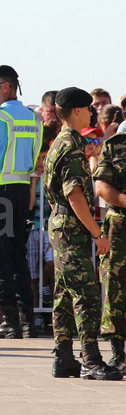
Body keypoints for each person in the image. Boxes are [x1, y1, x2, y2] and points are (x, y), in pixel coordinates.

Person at [44, 87, 120, 380]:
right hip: (72, 227)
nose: (90, 113)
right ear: (77, 110)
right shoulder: (73, 146)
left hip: (61, 224)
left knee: (64, 294)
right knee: (86, 294)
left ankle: (64, 357)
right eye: (87, 109)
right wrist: (97, 233)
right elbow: (74, 194)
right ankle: (91, 359)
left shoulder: (59, 142)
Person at [0, 65, 42, 340]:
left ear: (6, 87)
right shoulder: (33, 118)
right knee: (17, 259)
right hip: (21, 192)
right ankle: (27, 322)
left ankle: (9, 322)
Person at [93, 124, 126, 374]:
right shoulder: (116, 145)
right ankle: (119, 354)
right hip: (120, 226)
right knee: (116, 288)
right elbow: (102, 188)